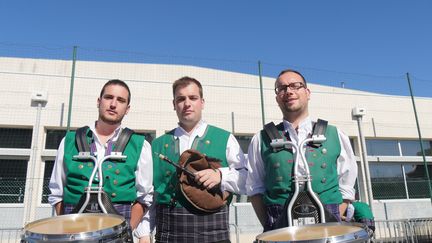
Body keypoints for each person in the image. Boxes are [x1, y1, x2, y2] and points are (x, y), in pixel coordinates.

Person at [246, 69, 358, 231]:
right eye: (282, 88)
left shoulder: (335, 134)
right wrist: (270, 225)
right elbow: (254, 188)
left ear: (307, 92)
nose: (289, 91)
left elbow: (347, 184)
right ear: (277, 97)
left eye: (295, 86)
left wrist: (332, 216)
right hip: (278, 221)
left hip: (329, 218)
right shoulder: (260, 139)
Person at [48, 79, 153, 242]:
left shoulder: (140, 145)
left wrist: (126, 231)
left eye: (121, 100)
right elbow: (56, 193)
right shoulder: (69, 141)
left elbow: (144, 197)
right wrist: (70, 229)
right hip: (73, 234)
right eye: (108, 97)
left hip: (118, 235)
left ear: (127, 109)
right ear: (99, 101)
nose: (113, 104)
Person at [151, 76, 248, 242]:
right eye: (180, 99)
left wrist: (221, 175)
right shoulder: (157, 145)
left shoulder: (225, 138)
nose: (187, 103)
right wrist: (144, 234)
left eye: (193, 98)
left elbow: (247, 180)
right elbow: (149, 195)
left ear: (202, 102)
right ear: (174, 104)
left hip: (214, 230)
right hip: (168, 231)